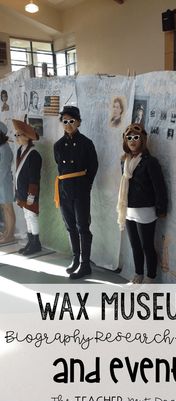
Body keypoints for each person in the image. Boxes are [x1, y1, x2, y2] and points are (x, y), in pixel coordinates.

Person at [117, 123, 168, 284]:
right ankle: (138, 275)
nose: (132, 141)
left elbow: (159, 187)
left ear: (142, 140)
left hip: (146, 209)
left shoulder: (150, 162)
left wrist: (161, 208)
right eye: (129, 137)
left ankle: (150, 277)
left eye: (136, 137)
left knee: (147, 246)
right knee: (135, 245)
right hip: (129, 209)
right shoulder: (124, 161)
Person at [54, 106, 98, 280]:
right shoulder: (58, 145)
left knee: (83, 226)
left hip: (80, 189)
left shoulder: (86, 143)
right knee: (70, 225)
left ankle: (85, 264)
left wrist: (85, 185)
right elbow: (60, 167)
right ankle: (75, 259)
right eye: (65, 121)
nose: (68, 124)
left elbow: (93, 167)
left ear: (78, 122)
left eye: (72, 121)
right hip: (64, 189)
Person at [13, 118, 42, 255]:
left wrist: (32, 194)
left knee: (32, 216)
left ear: (27, 137)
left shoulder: (34, 154)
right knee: (26, 216)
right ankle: (30, 241)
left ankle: (36, 243)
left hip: (30, 192)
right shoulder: (20, 151)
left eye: (19, 135)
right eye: (16, 135)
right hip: (22, 190)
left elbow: (34, 177)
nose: (17, 137)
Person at [0, 122, 15, 244]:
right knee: (4, 208)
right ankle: (6, 232)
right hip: (2, 182)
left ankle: (10, 235)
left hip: (3, 182)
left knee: (8, 208)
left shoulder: (4, 148)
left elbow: (3, 169)